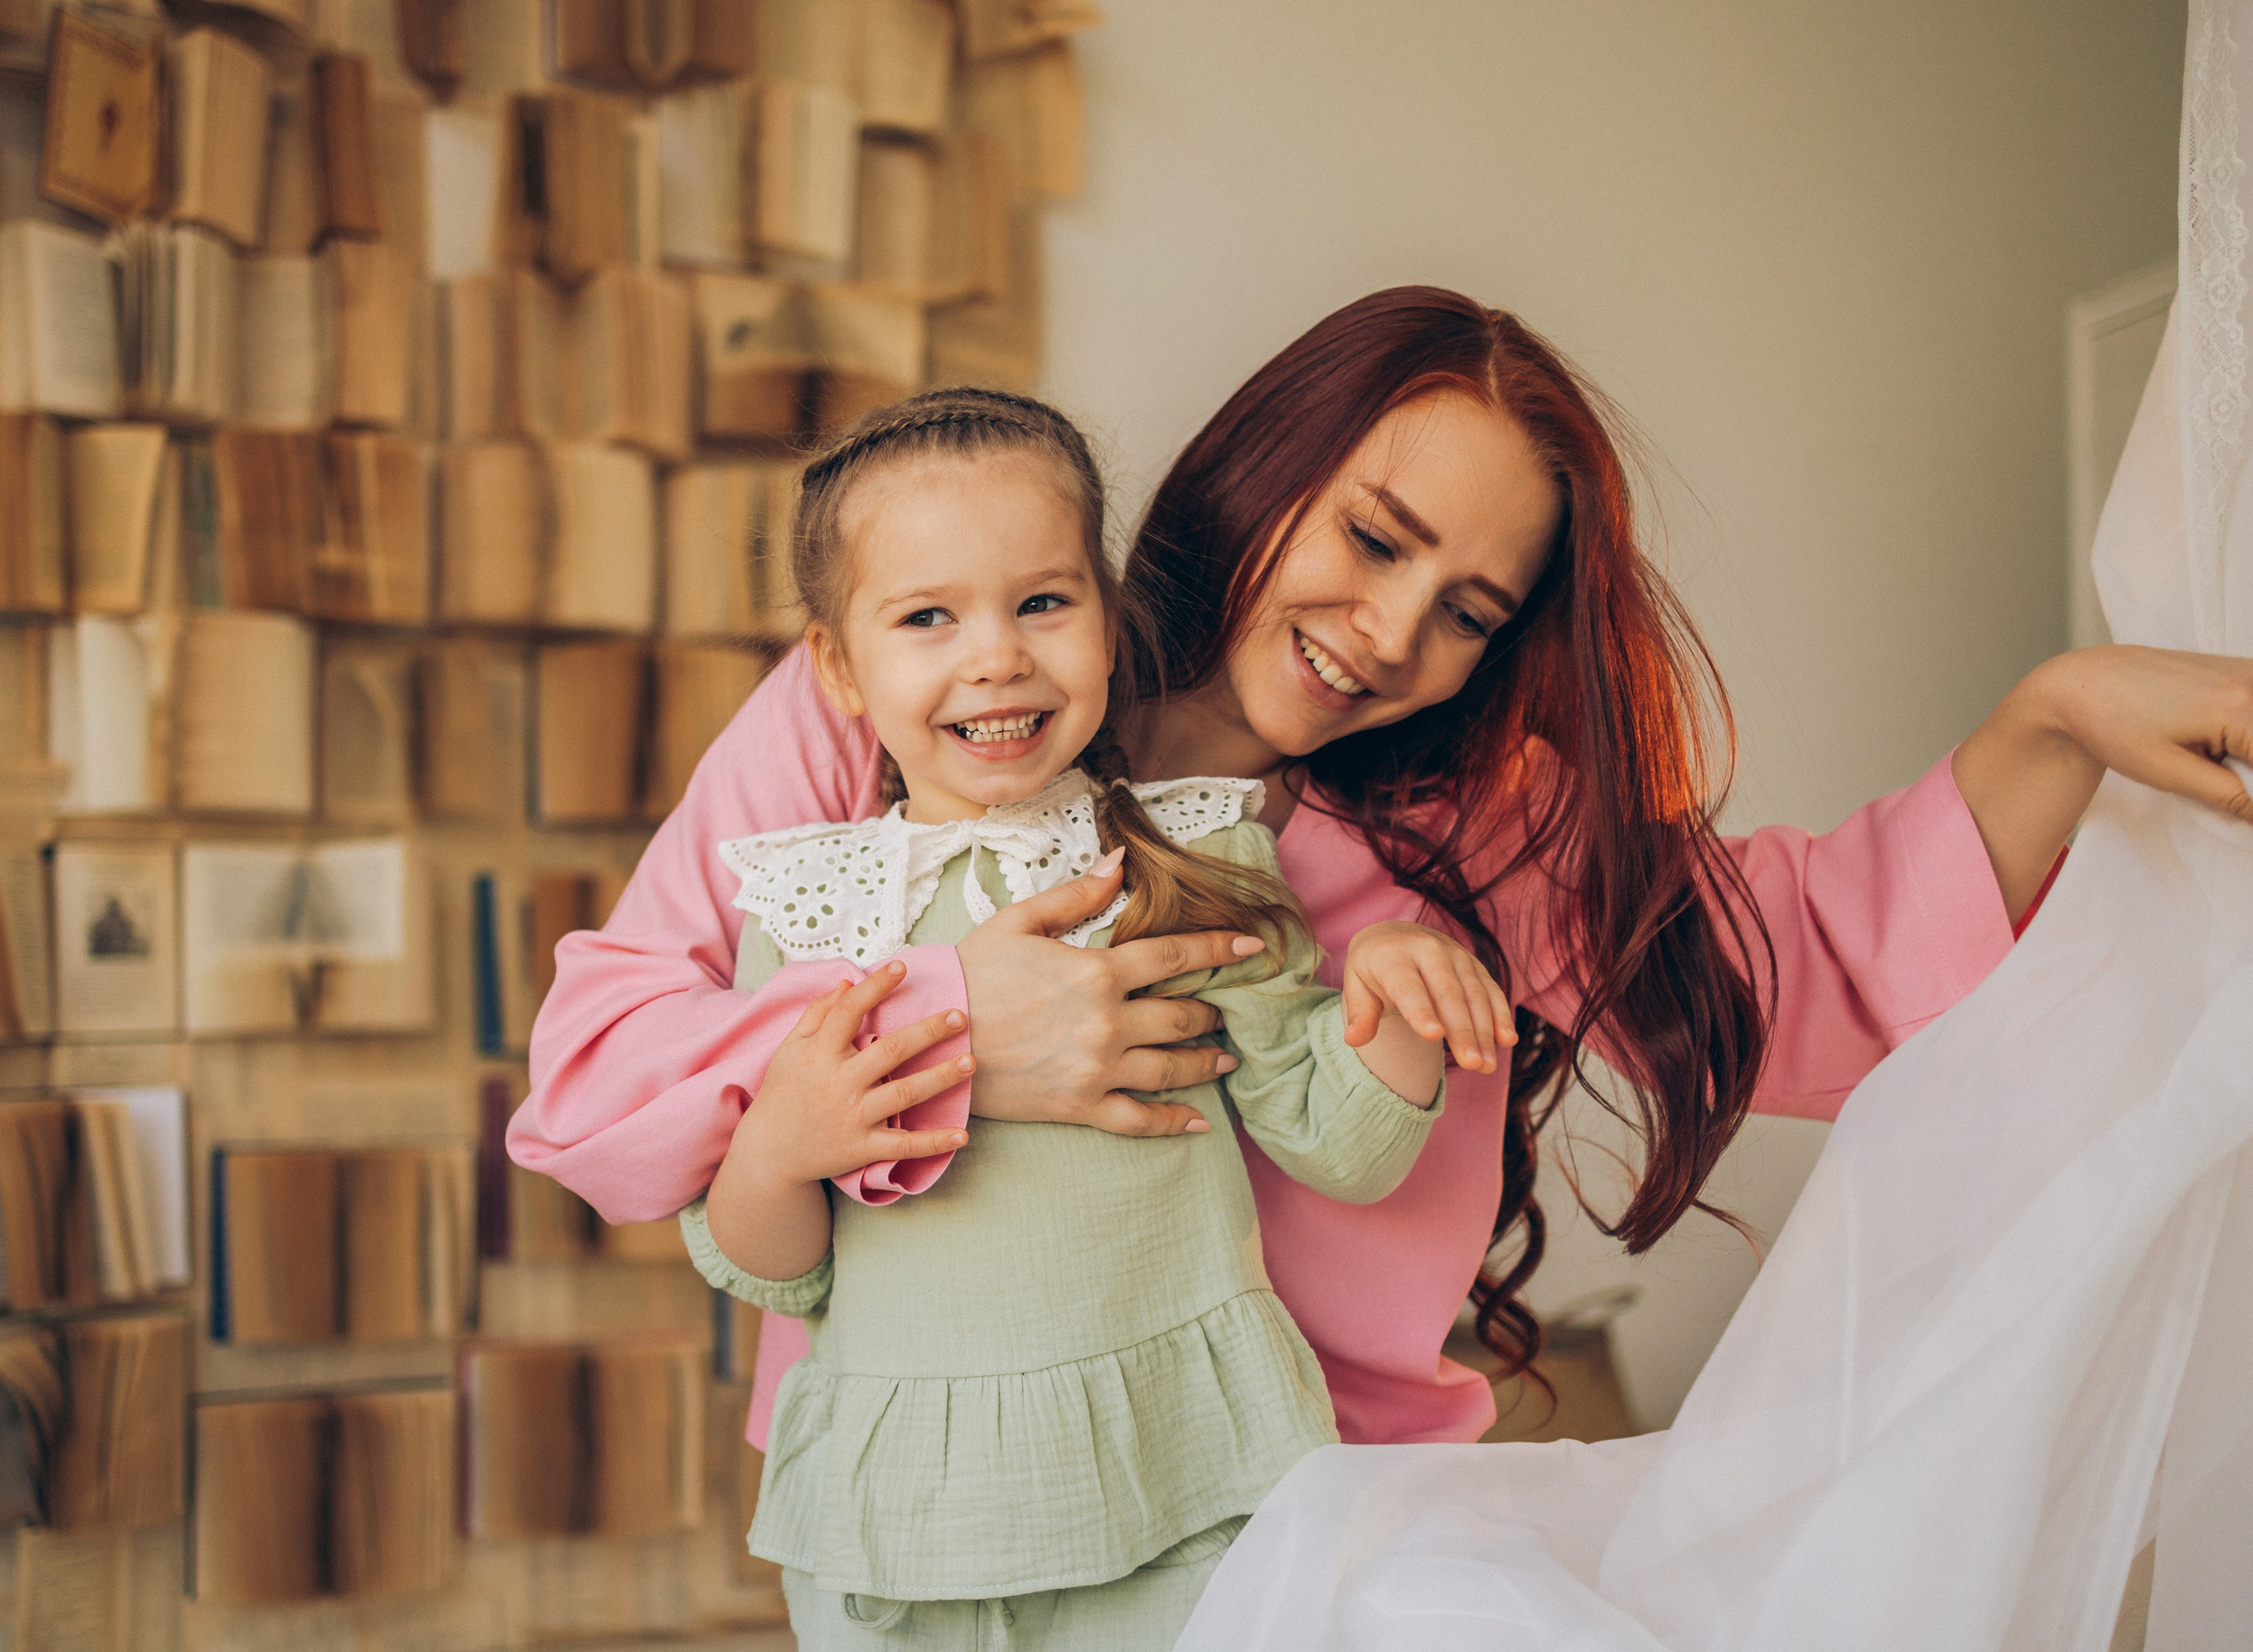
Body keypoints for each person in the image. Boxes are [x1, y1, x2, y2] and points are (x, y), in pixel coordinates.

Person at [515, 286, 2253, 1455]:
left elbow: (1817, 964)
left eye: (1470, 610)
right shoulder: (926, 699)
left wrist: (2055, 719)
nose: (1393, 632)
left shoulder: (1479, 826)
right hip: (941, 1505)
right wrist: (965, 1020)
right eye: (1372, 537)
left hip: (1294, 1523)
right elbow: (599, 1081)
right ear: (1267, 465)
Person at [687, 385, 1510, 1646]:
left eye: (1042, 603)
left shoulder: (1198, 853)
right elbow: (775, 1269)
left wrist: (1401, 993)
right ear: (841, 668)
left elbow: (1338, 1142)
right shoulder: (811, 908)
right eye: (927, 616)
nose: (996, 657)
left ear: (1111, 628)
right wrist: (781, 1147)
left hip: (1184, 1482)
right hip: (910, 1514)